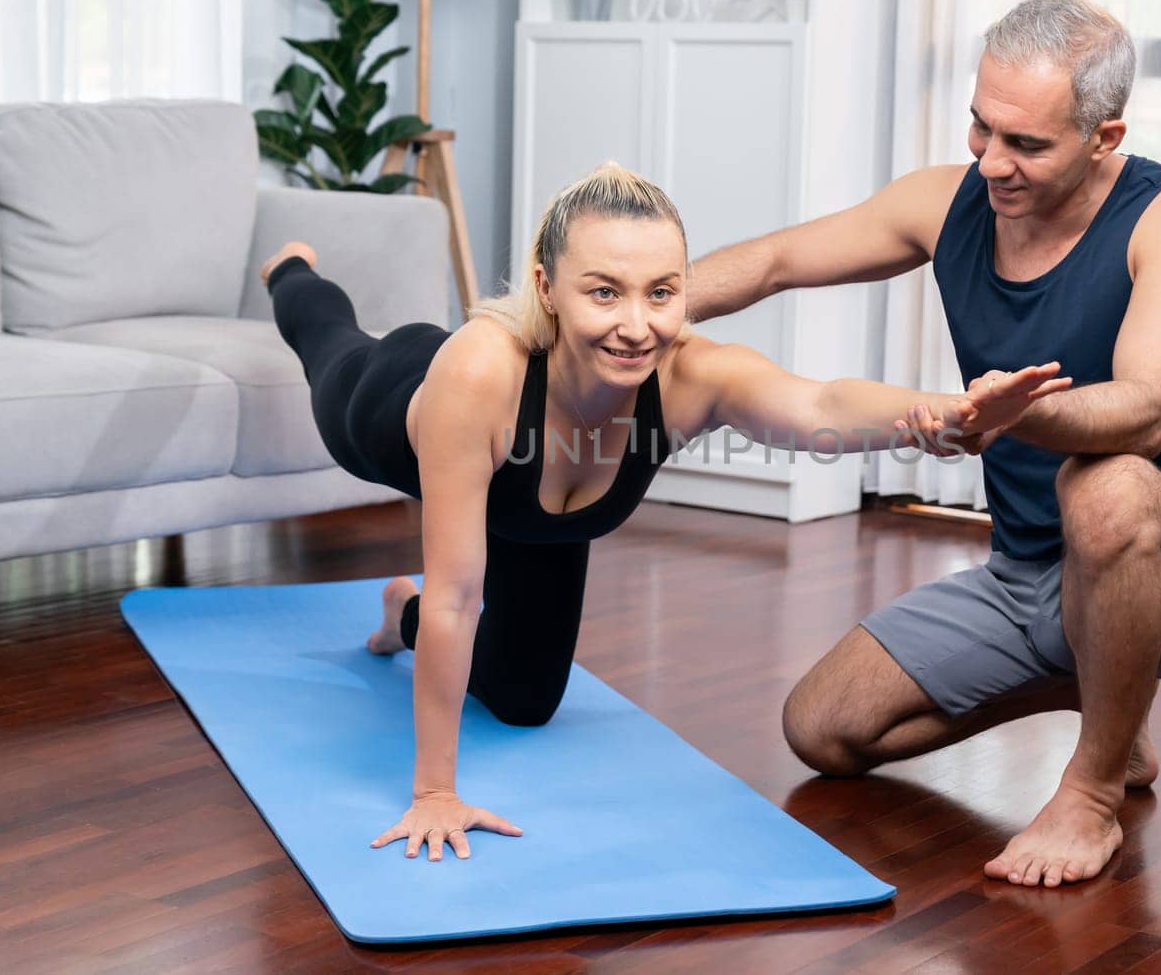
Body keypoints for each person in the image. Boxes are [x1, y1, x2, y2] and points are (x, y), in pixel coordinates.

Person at [262, 162, 1069, 864]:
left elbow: (819, 403)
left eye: (662, 293)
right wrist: (435, 789)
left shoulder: (689, 377)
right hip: (396, 409)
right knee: (330, 349)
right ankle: (289, 273)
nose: (636, 325)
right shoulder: (483, 372)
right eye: (603, 292)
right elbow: (456, 596)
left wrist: (943, 413)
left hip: (542, 515)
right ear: (546, 287)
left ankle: (389, 615)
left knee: (525, 699)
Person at [685, 0, 1161, 889]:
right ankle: (1114, 692)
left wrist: (1012, 413)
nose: (992, 162)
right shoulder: (949, 201)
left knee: (1103, 487)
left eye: (1026, 144)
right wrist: (636, 306)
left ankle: (1095, 788)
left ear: (1104, 138)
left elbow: (1145, 412)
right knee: (823, 728)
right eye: (980, 128)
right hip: (1026, 574)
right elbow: (776, 260)